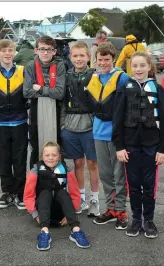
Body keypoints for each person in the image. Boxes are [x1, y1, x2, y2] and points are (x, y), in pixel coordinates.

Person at [113, 51, 164, 239]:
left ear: (149, 67)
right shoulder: (124, 88)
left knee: (149, 185)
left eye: (142, 65)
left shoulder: (157, 88)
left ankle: (149, 219)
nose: (139, 69)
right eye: (135, 66)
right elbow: (117, 119)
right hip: (130, 147)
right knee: (134, 184)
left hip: (151, 147)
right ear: (131, 68)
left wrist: (163, 148)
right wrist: (119, 146)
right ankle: (136, 219)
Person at [85, 42, 131, 225]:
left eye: (107, 59)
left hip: (116, 134)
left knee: (119, 174)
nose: (103, 63)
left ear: (113, 59)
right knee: (105, 174)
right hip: (98, 133)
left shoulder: (122, 77)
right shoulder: (94, 78)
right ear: (95, 61)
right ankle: (111, 208)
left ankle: (121, 211)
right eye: (100, 60)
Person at [0, 40, 29, 210]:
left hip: (20, 122)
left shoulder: (23, 71)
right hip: (1, 124)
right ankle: (7, 192)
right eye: (3, 51)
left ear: (14, 52)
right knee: (4, 159)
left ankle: (19, 193)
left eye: (10, 50)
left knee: (19, 159)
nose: (7, 53)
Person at [24, 141, 90, 251]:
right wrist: (35, 215)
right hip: (42, 214)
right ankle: (44, 233)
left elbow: (74, 193)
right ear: (42, 156)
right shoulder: (36, 170)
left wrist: (69, 215)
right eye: (47, 155)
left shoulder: (66, 169)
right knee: (45, 193)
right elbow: (28, 195)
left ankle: (76, 230)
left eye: (54, 155)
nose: (50, 158)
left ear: (59, 156)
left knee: (63, 192)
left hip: (61, 214)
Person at [60, 41, 100, 216]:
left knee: (92, 163)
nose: (78, 59)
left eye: (82, 55)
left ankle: (95, 199)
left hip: (90, 125)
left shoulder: (95, 75)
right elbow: (61, 103)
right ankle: (81, 197)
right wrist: (62, 125)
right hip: (70, 125)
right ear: (70, 57)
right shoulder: (66, 77)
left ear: (88, 57)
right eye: (75, 55)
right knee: (77, 163)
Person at [24, 36, 66, 169]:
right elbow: (27, 92)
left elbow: (60, 93)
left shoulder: (60, 65)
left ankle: (59, 182)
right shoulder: (30, 66)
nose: (45, 53)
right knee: (37, 147)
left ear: (54, 51)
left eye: (49, 50)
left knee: (56, 147)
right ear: (36, 50)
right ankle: (36, 179)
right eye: (42, 49)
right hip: (36, 110)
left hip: (56, 110)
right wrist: (50, 91)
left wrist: (40, 88)